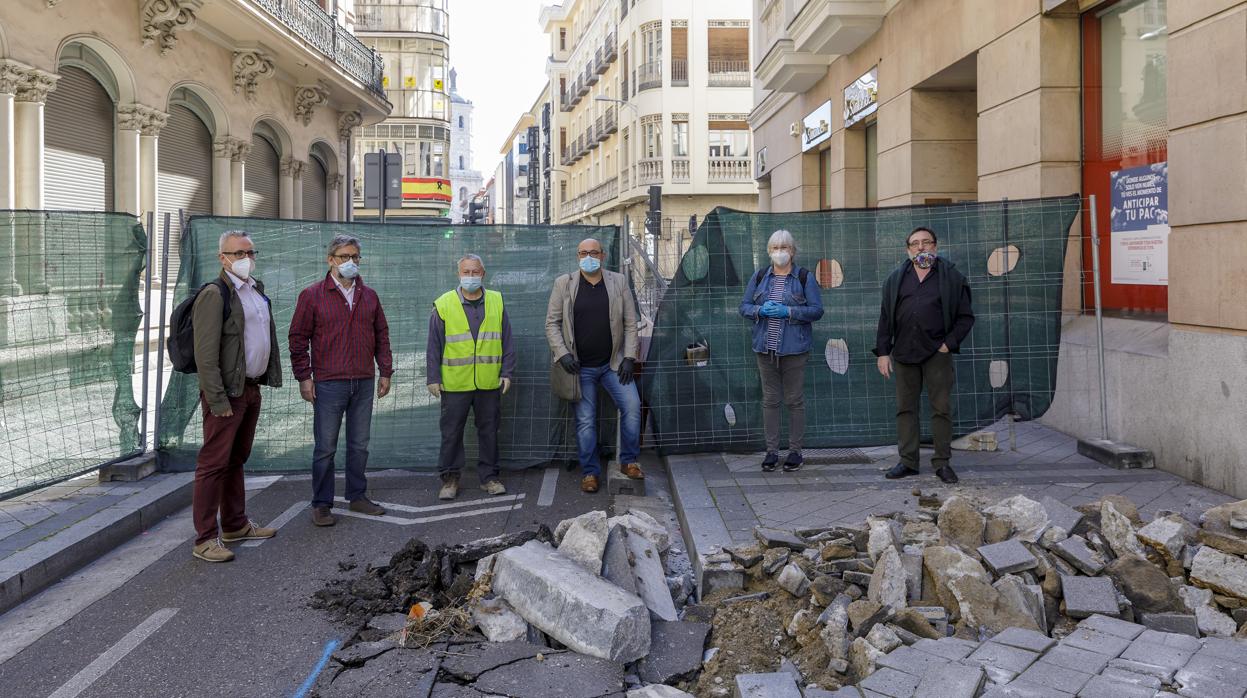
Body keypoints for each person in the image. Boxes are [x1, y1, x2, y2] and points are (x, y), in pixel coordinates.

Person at [188, 231, 281, 562]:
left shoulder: (255, 290)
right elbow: (206, 354)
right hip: (227, 394)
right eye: (238, 253)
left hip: (251, 388)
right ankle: (204, 539)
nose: (246, 258)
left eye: (250, 252)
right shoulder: (215, 295)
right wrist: (217, 399)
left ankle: (235, 524)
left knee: (236, 460)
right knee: (213, 464)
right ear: (222, 257)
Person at [289, 235, 393, 527]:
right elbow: (298, 339)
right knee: (326, 447)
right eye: (344, 256)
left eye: (355, 257)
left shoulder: (369, 295)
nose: (350, 262)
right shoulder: (312, 295)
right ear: (331, 260)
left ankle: (357, 496)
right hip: (328, 383)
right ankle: (321, 504)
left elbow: (382, 335)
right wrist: (304, 377)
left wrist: (385, 371)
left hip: (362, 381)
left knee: (359, 445)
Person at [873, 226, 975, 484]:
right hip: (904, 353)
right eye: (915, 243)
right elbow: (886, 318)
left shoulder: (951, 277)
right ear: (908, 250)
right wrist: (883, 352)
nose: (921, 247)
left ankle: (942, 463)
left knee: (940, 408)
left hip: (936, 354)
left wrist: (947, 344)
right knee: (905, 409)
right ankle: (908, 462)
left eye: (926, 242)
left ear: (935, 247)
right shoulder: (896, 279)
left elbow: (965, 318)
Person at [545, 238, 644, 493]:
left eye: (593, 252)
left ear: (602, 255)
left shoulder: (618, 282)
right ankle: (590, 473)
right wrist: (563, 354)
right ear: (578, 256)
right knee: (586, 420)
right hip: (580, 368)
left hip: (613, 364)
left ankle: (629, 461)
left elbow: (631, 323)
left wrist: (629, 358)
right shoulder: (564, 284)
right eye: (583, 253)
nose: (588, 257)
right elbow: (552, 323)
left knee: (632, 406)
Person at [427, 254, 515, 500]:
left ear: (483, 274)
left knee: (489, 431)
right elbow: (433, 344)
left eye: (475, 272)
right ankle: (450, 479)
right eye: (466, 272)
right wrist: (432, 377)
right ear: (459, 274)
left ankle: (490, 478)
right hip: (454, 382)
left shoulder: (496, 301)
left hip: (489, 381)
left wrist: (507, 371)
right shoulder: (444, 304)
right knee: (451, 432)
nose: (470, 276)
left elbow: (507, 339)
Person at [739, 229, 824, 472]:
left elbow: (817, 310)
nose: (780, 253)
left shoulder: (804, 277)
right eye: (775, 248)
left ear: (793, 251)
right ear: (769, 252)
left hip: (795, 349)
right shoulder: (759, 277)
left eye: (784, 248)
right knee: (770, 400)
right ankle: (771, 451)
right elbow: (743, 306)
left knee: (794, 400)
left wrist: (789, 312)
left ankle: (795, 451)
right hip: (765, 349)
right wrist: (759, 310)